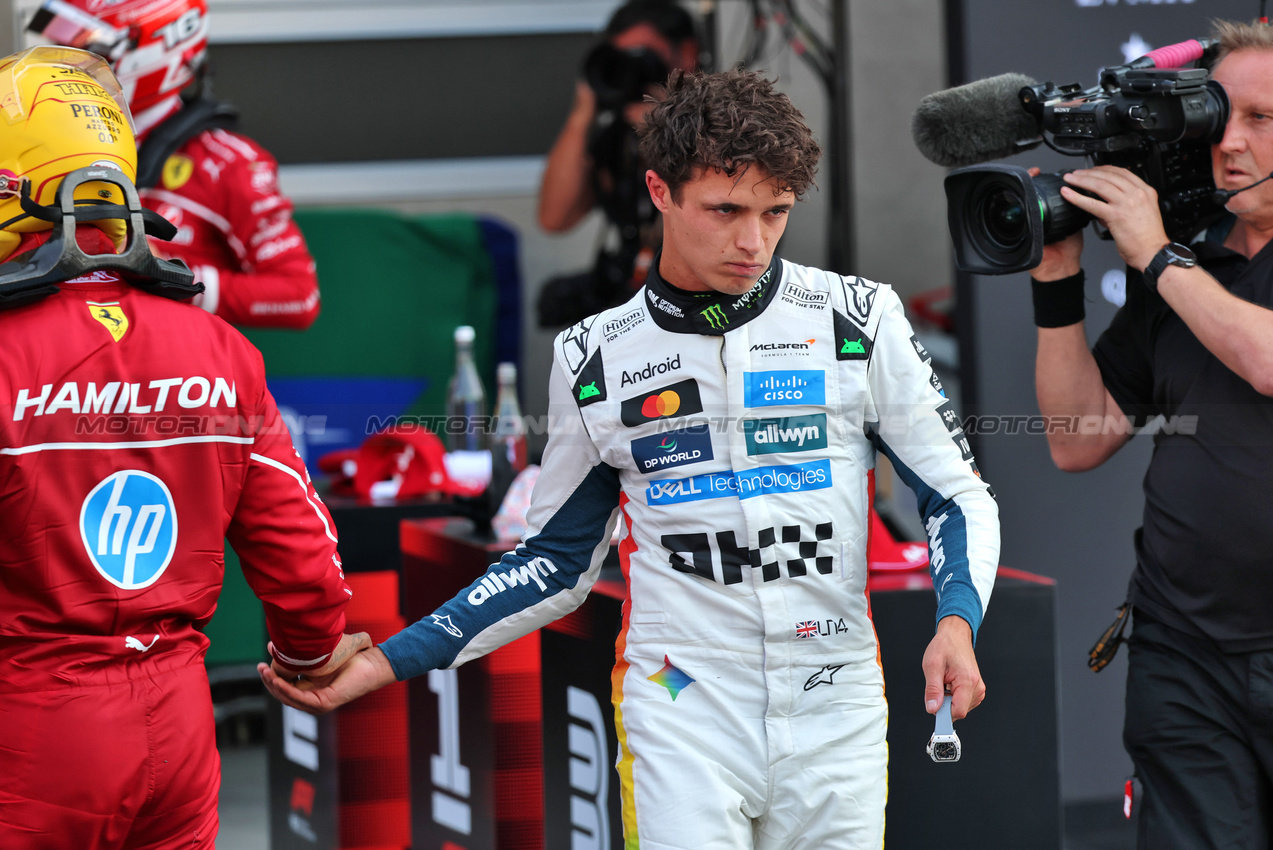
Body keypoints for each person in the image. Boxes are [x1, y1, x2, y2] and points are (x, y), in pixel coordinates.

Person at [262, 69, 1000, 849]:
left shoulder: (857, 318)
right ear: (659, 191)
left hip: (834, 696)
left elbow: (957, 496)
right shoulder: (593, 355)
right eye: (725, 210)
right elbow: (553, 562)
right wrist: (386, 660)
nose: (752, 241)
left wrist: (956, 621)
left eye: (774, 211)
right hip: (679, 702)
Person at [0, 46, 364, 849]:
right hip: (179, 725)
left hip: (27, 726)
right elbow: (301, 556)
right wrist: (309, 649)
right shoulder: (217, 346)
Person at [1030, 19, 1273, 849]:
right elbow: (1078, 437)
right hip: (1183, 650)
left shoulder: (1173, 261)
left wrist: (1158, 254)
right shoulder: (1192, 258)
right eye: (1217, 115)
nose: (1229, 142)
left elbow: (1267, 359)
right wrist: (1056, 290)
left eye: (1261, 120)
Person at [28, 0, 322, 329]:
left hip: (175, 366)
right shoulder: (42, 141)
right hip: (64, 353)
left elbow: (299, 297)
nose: (68, 62)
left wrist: (169, 271)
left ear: (156, 49)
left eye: (86, 46)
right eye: (62, 43)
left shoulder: (228, 164)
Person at [536, 0, 699, 326]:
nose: (634, 70)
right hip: (629, 286)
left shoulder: (719, 127)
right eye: (623, 58)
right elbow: (555, 218)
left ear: (686, 56)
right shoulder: (615, 136)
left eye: (644, 56)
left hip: (695, 292)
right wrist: (584, 112)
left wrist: (669, 129)